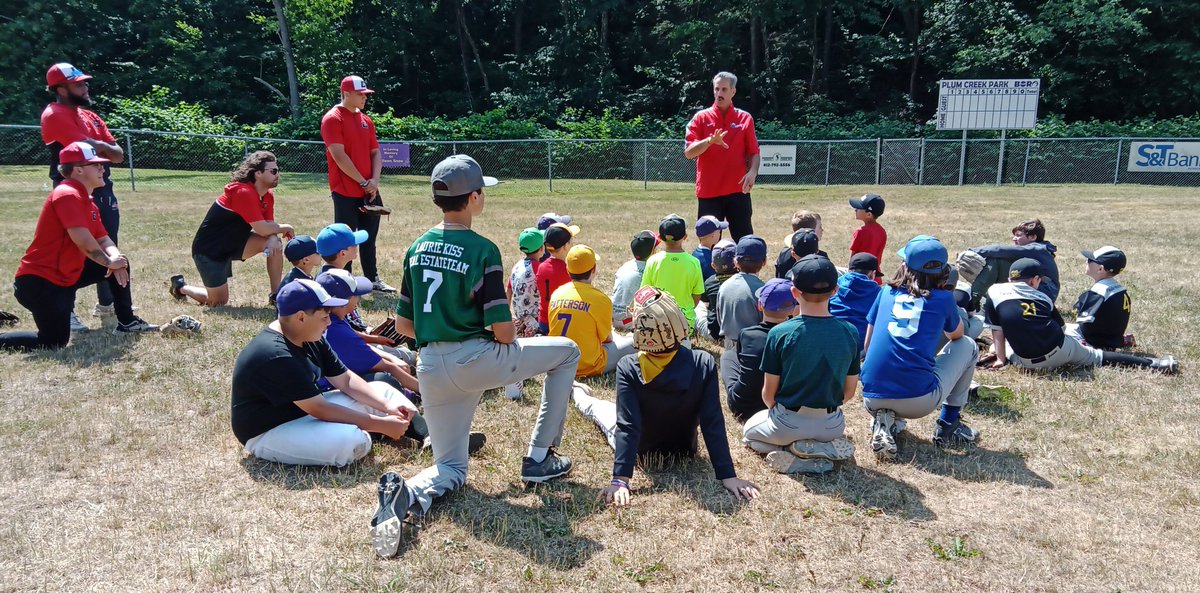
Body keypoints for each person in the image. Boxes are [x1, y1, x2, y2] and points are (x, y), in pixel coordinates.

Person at [371, 155, 582, 558]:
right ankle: (540, 458)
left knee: (451, 468)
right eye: (482, 191)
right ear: (472, 197)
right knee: (567, 352)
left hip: (430, 366)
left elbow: (405, 326)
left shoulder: (416, 247)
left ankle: (408, 494)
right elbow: (503, 331)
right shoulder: (482, 248)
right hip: (476, 360)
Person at [565, 287, 759, 507]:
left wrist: (621, 479)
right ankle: (578, 391)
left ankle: (575, 391)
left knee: (596, 408)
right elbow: (712, 421)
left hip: (640, 450)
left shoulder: (628, 366)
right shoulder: (703, 362)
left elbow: (628, 425)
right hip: (684, 450)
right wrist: (727, 475)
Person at [231, 279, 418, 468]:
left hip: (303, 413)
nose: (329, 322)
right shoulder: (276, 354)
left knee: (385, 392)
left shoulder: (306, 333)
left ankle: (414, 432)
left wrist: (387, 407)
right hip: (268, 430)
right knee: (352, 442)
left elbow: (345, 380)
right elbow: (319, 408)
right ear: (301, 317)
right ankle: (377, 432)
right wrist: (380, 424)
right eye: (324, 317)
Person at [0, 143, 158, 351]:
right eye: (96, 165)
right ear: (78, 170)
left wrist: (115, 260)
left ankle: (127, 322)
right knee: (53, 343)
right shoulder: (67, 194)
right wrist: (109, 262)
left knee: (121, 261)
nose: (102, 169)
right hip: (41, 283)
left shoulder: (87, 200)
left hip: (65, 277)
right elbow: (82, 240)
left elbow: (104, 239)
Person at [860, 236, 980, 461]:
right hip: (918, 401)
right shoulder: (943, 298)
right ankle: (949, 424)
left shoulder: (885, 291)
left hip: (871, 396)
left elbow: (867, 345)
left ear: (905, 266)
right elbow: (957, 336)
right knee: (968, 345)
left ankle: (887, 420)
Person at [742, 257, 860, 474]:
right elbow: (849, 392)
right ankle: (818, 447)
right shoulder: (850, 331)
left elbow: (768, 394)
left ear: (794, 292)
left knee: (749, 435)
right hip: (832, 426)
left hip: (788, 422)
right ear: (835, 290)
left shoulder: (780, 333)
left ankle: (793, 453)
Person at [40, 62, 126, 329]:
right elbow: (84, 151)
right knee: (73, 249)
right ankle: (65, 311)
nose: (85, 86)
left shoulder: (90, 116)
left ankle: (107, 305)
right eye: (78, 84)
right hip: (73, 189)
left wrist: (96, 145)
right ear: (61, 89)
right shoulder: (54, 114)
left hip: (102, 186)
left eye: (84, 82)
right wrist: (102, 147)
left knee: (109, 242)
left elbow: (118, 155)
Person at [982, 258, 1176, 373]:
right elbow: (1062, 329)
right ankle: (1155, 364)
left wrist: (1001, 359)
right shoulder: (1044, 298)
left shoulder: (994, 291)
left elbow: (997, 331)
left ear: (1009, 279)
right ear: (1035, 280)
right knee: (1098, 356)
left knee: (996, 345)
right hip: (1058, 351)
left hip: (1025, 362)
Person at [170, 151, 294, 306]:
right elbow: (263, 229)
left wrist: (273, 236)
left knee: (274, 242)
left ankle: (276, 296)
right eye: (273, 171)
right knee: (218, 302)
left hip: (236, 243)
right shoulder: (243, 192)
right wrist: (287, 227)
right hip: (210, 251)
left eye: (278, 170)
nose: (278, 174)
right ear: (258, 174)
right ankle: (181, 288)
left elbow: (269, 226)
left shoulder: (267, 195)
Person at [320, 75, 394, 293]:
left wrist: (374, 181)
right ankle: (346, 280)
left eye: (365, 94)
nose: (364, 98)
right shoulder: (333, 118)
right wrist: (362, 181)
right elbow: (339, 156)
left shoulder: (365, 120)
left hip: (369, 190)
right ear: (347, 93)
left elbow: (375, 153)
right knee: (346, 240)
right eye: (360, 94)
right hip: (345, 191)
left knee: (369, 237)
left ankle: (372, 279)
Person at [315, 269, 422, 399]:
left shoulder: (330, 319)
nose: (358, 299)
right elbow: (389, 368)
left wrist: (376, 340)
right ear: (344, 302)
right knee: (384, 379)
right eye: (357, 295)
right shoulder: (340, 333)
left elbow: (354, 337)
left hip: (318, 389)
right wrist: (427, 391)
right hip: (326, 394)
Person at [683, 71, 760, 241]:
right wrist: (709, 141)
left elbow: (754, 152)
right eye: (716, 89)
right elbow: (689, 153)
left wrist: (753, 172)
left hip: (738, 191)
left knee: (745, 242)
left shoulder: (745, 118)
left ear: (733, 91)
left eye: (724, 89)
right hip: (709, 192)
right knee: (709, 243)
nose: (719, 93)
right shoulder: (701, 118)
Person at [549, 245, 636, 378]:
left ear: (567, 269)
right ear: (594, 269)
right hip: (589, 366)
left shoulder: (557, 293)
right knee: (634, 342)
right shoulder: (600, 299)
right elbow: (607, 339)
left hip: (558, 364)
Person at [726, 278, 797, 421]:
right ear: (792, 309)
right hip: (782, 407)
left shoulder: (748, 334)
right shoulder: (795, 336)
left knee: (727, 356)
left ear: (760, 305)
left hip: (743, 407)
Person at [966, 219, 1060, 306]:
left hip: (1044, 293)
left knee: (996, 262)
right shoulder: (1036, 249)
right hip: (1041, 290)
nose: (1014, 238)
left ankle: (971, 302)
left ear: (1033, 237)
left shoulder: (1037, 249)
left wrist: (972, 251)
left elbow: (1000, 250)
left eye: (1018, 235)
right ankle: (983, 302)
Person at [716, 235, 767, 394]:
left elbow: (719, 316)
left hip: (730, 342)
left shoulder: (724, 286)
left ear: (736, 262)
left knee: (733, 381)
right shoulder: (762, 289)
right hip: (753, 347)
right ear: (764, 262)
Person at [641, 214, 705, 332]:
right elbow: (697, 295)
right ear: (685, 236)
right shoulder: (694, 262)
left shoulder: (652, 261)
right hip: (686, 325)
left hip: (658, 324)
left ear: (660, 237)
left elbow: (645, 292)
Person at [504, 227, 546, 400]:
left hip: (519, 319)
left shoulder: (516, 266)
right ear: (542, 248)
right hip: (534, 320)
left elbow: (508, 291)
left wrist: (506, 315)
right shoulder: (539, 268)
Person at [1067, 246, 1134, 350]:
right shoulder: (1119, 288)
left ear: (1100, 269)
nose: (1086, 261)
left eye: (1090, 260)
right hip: (1112, 339)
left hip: (1094, 343)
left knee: (1055, 330)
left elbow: (1084, 323)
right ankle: (1123, 340)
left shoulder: (1099, 291)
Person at [828, 253, 881, 350]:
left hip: (829, 336)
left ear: (848, 269)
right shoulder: (877, 292)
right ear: (872, 274)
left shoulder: (835, 283)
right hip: (857, 344)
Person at [611, 230, 659, 331]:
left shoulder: (626, 265)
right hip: (631, 321)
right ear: (652, 252)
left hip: (613, 318)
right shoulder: (650, 269)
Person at [536, 222, 578, 335]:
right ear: (565, 246)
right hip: (562, 322)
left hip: (543, 321)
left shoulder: (541, 267)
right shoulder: (568, 270)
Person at [698, 239, 737, 339]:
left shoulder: (710, 282)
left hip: (715, 333)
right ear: (737, 263)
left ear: (713, 265)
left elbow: (704, 299)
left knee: (697, 306)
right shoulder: (743, 281)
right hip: (738, 332)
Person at [775, 211, 826, 279]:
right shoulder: (820, 257)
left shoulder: (784, 253)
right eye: (820, 227)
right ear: (810, 231)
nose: (822, 230)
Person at [849, 194, 887, 285]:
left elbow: (853, 258)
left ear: (869, 214)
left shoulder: (860, 232)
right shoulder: (882, 231)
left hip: (858, 277)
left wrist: (849, 273)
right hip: (875, 276)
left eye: (858, 208)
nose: (855, 210)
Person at [692, 215, 728, 281]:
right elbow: (714, 283)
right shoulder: (712, 259)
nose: (720, 234)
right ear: (713, 236)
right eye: (719, 232)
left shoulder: (695, 253)